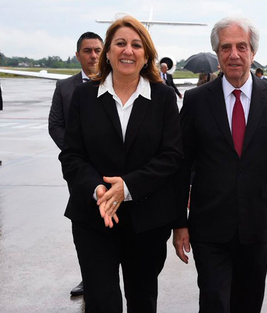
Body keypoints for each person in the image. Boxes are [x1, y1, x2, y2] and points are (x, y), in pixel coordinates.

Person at [59, 15, 183, 313]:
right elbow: (71, 155)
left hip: (147, 222)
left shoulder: (164, 97)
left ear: (146, 54)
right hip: (93, 218)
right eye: (120, 44)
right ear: (108, 52)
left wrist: (127, 187)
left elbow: (172, 156)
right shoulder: (84, 96)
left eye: (136, 45)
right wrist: (98, 190)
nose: (128, 50)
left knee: (142, 301)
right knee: (102, 302)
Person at [173, 16, 267, 313]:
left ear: (252, 52)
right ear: (217, 53)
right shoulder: (196, 101)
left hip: (257, 224)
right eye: (226, 47)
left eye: (241, 47)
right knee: (214, 301)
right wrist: (179, 222)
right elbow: (182, 164)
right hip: (208, 227)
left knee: (248, 304)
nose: (234, 54)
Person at [48, 31, 103, 296]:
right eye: (87, 51)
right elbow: (55, 125)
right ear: (77, 55)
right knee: (83, 223)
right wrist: (75, 155)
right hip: (79, 172)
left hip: (112, 170)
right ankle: (89, 275)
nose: (93, 56)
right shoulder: (64, 88)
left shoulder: (115, 83)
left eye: (97, 50)